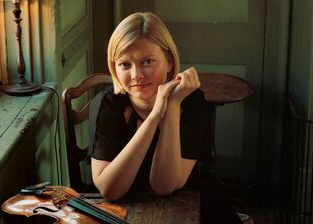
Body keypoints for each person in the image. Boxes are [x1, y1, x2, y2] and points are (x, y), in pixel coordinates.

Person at [88, 12, 243, 223]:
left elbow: (164, 186)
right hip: (125, 213)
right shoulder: (108, 104)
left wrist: (172, 106)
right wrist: (153, 118)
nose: (136, 75)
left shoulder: (192, 102)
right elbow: (109, 190)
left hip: (189, 209)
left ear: (169, 62)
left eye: (148, 61)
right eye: (125, 64)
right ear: (114, 67)